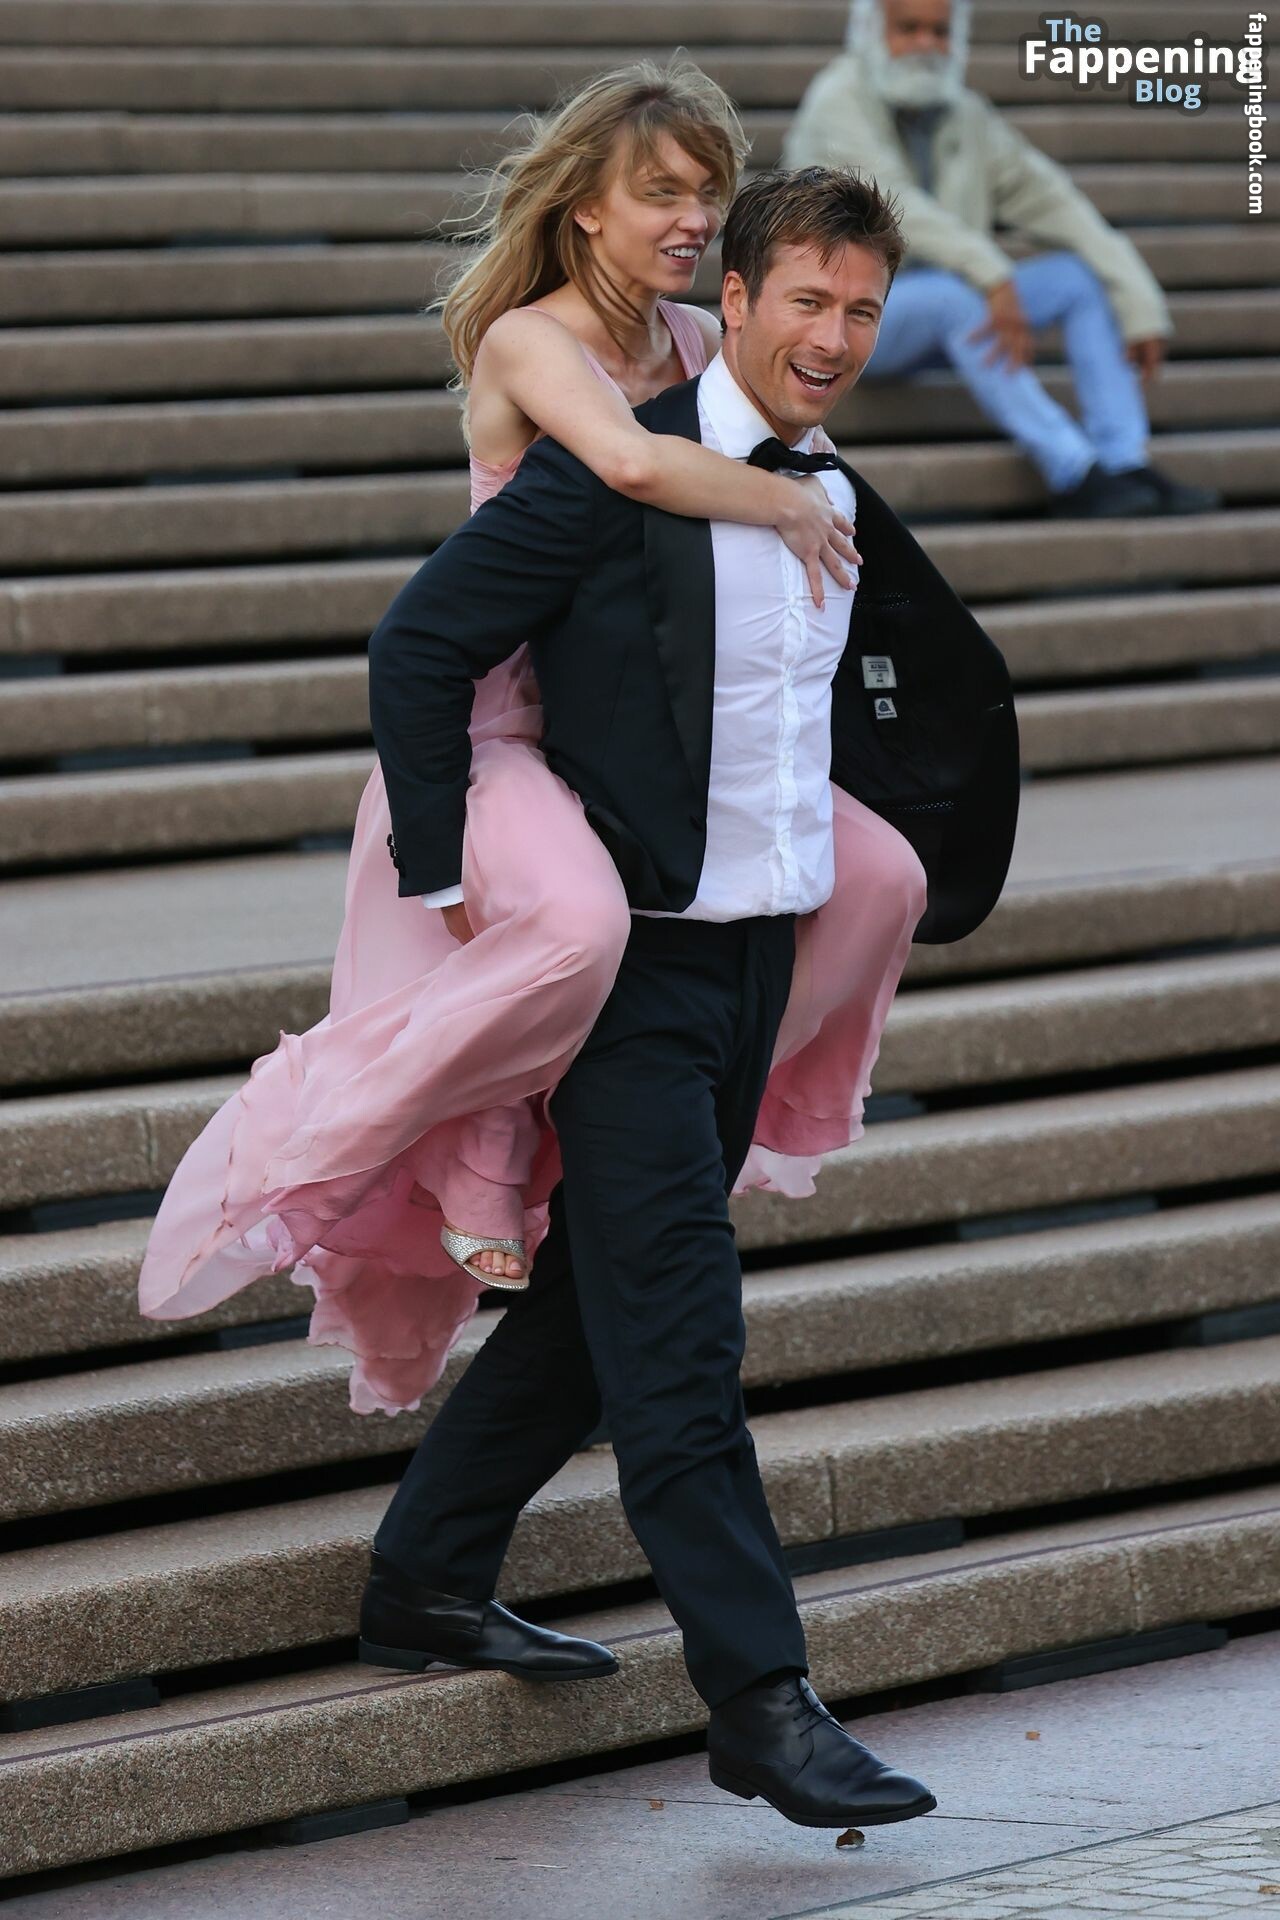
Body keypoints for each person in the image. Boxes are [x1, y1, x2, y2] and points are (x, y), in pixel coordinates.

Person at [360, 163, 1018, 1831]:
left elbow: (907, 681)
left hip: (754, 960)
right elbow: (423, 644)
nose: (836, 337)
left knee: (603, 1298)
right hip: (640, 973)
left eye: (863, 309)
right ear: (730, 300)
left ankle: (426, 1570)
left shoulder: (830, 483)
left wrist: (934, 839)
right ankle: (761, 1700)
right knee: (681, 1332)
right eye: (806, 300)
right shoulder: (613, 475)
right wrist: (441, 871)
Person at [136, 62, 929, 1418]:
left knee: (880, 879)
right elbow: (629, 466)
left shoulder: (698, 335)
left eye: (707, 192)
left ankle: (716, 1099)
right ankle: (335, 1136)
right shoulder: (529, 340)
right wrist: (786, 505)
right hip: (497, 731)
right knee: (575, 925)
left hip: (639, 730)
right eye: (660, 192)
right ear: (586, 208)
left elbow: (763, 437)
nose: (693, 218)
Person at [784, 0, 1222, 518]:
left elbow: (1052, 199)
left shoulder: (965, 112)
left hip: (947, 303)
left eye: (940, 31)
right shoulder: (836, 99)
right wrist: (991, 274)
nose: (926, 44)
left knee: (1077, 280)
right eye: (908, 29)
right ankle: (1074, 472)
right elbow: (894, 208)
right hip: (843, 317)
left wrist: (1138, 297)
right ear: (868, 32)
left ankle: (1124, 461)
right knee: (954, 297)